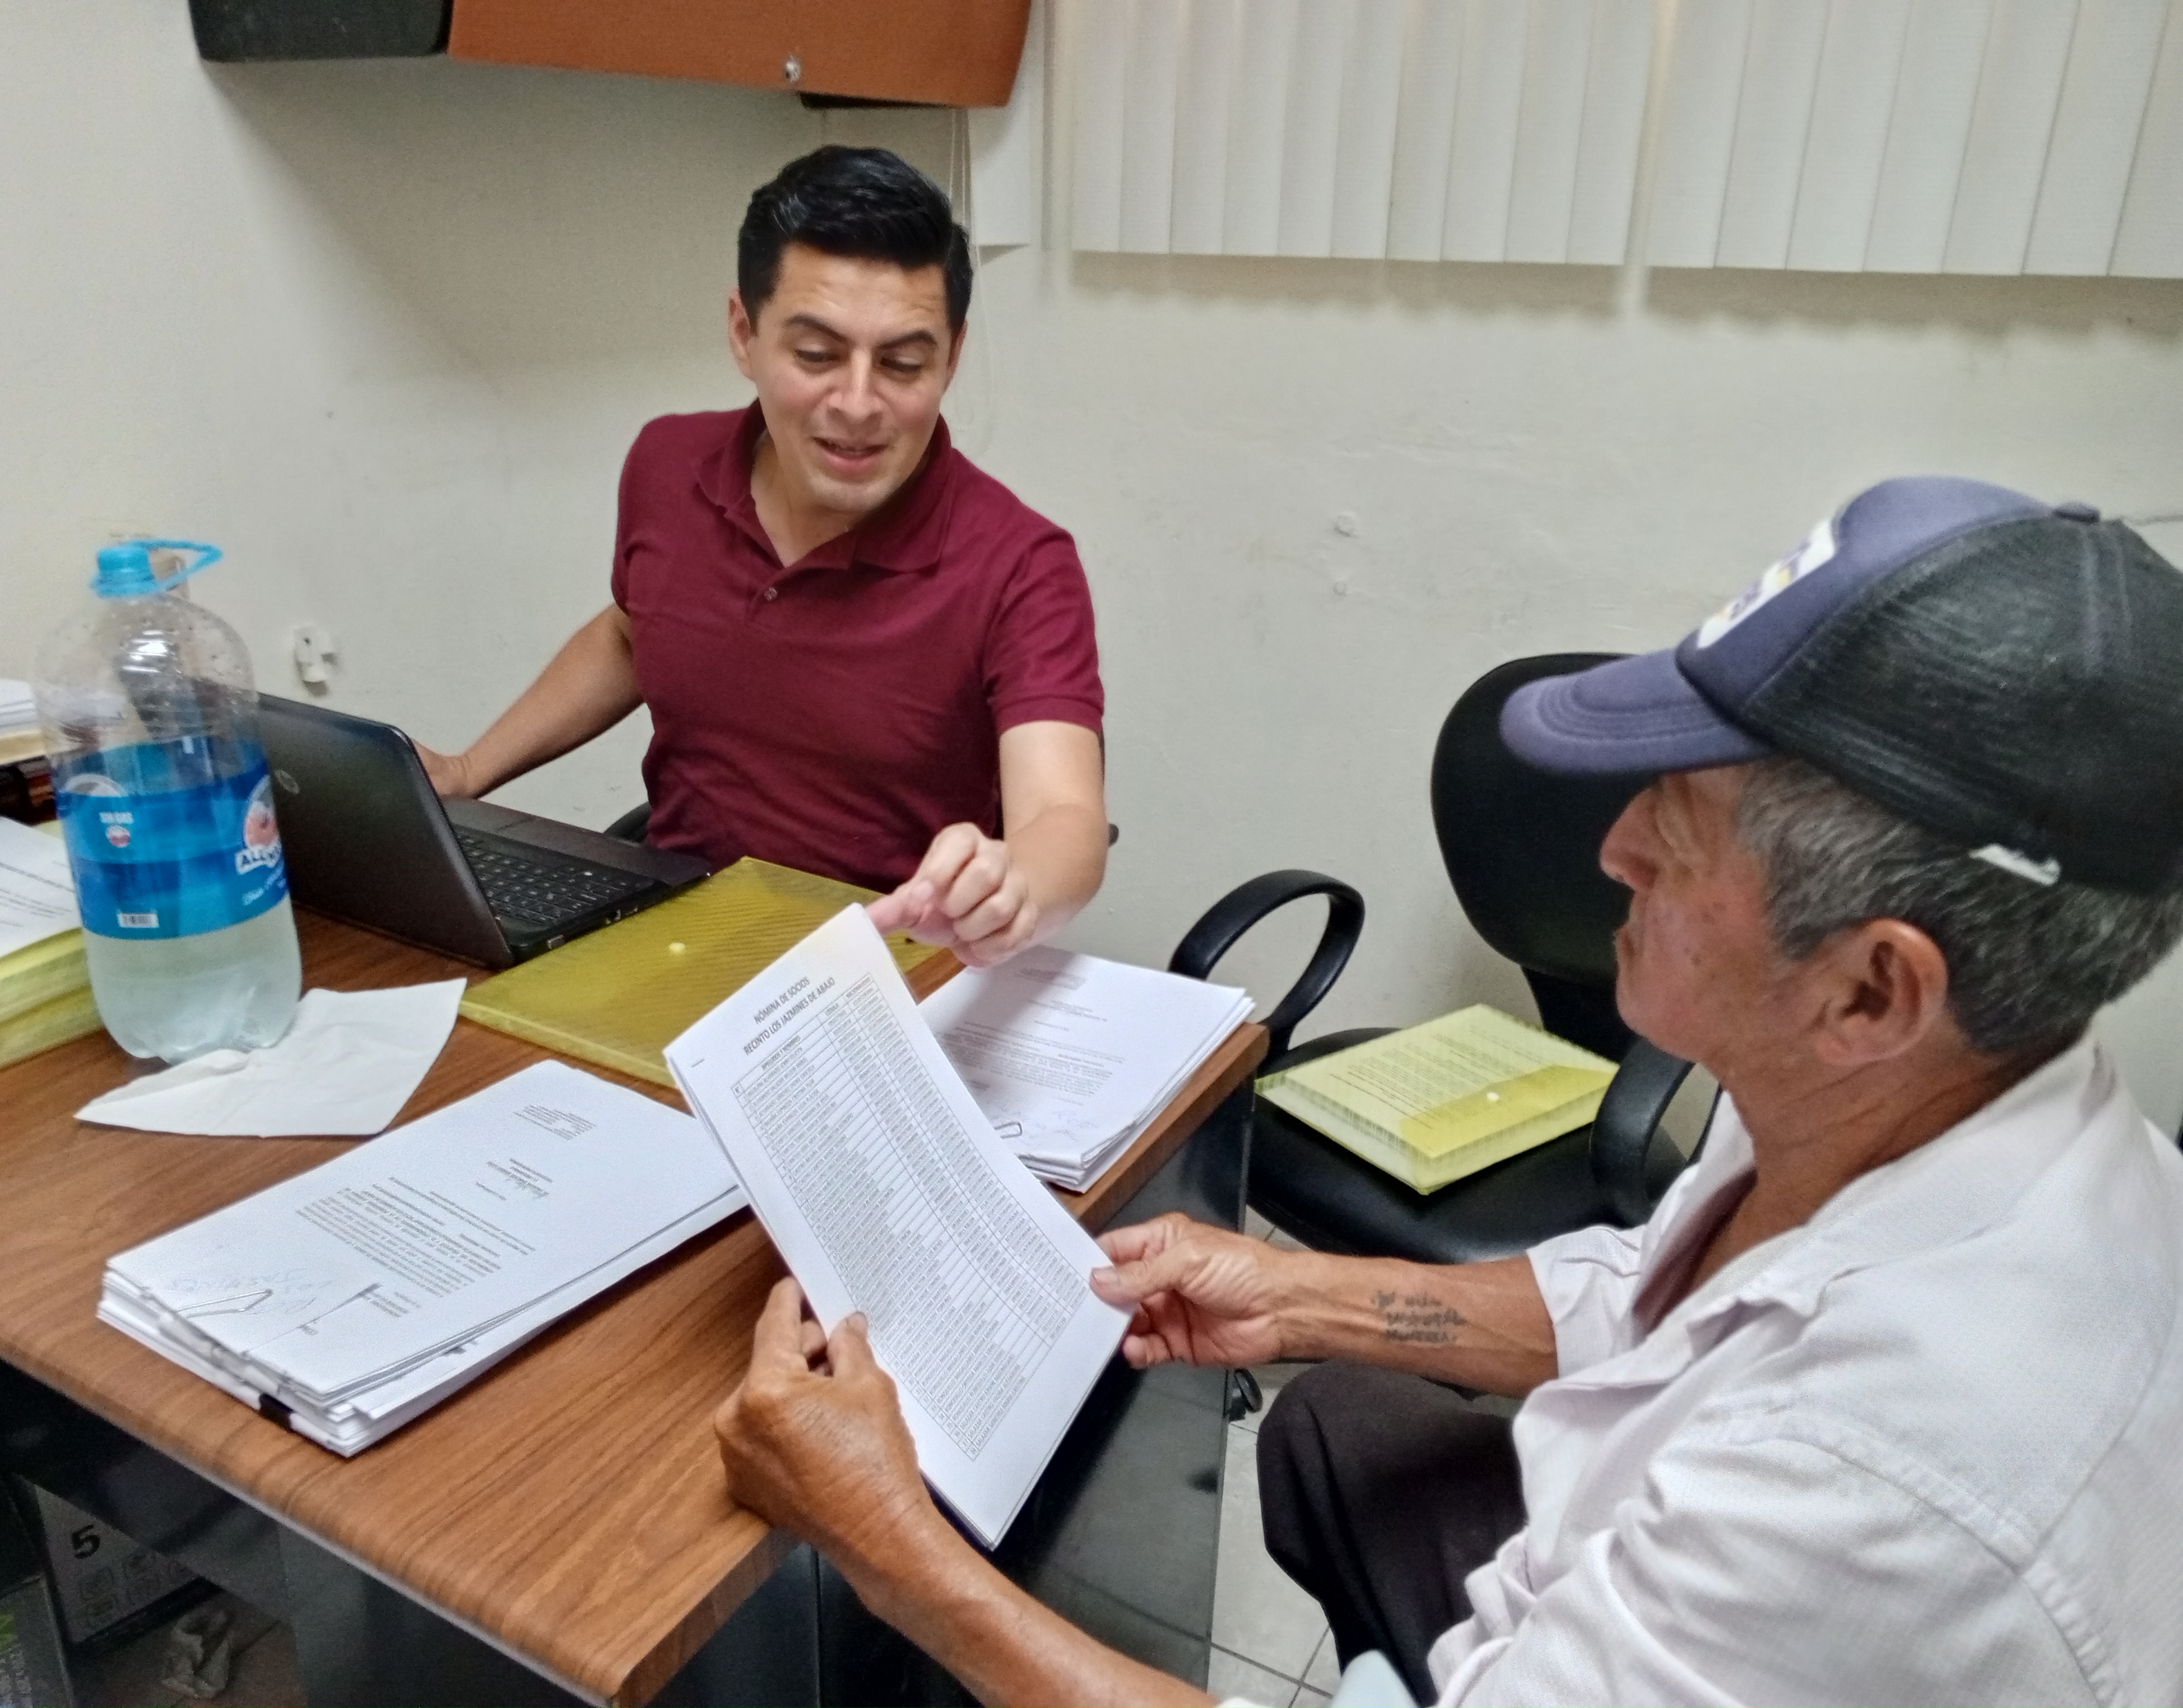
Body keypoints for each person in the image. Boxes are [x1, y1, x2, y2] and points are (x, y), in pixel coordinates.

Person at [713, 476, 2183, 1706]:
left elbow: (1787, 1440)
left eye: (1680, 830)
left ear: (1872, 988)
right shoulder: (1901, 1086)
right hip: (1647, 1567)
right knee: (1339, 1424)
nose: (1614, 853)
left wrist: (892, 1546)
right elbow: (1653, 1298)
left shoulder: (1873, 1485)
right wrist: (1300, 1296)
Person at [418, 147, 1108, 967]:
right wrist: (466, 770)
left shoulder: (1021, 563)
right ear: (744, 334)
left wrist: (1014, 885)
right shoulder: (667, 466)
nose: (858, 404)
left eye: (902, 364)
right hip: (679, 937)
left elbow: (1065, 818)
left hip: (889, 963)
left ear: (952, 358)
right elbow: (631, 634)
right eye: (816, 356)